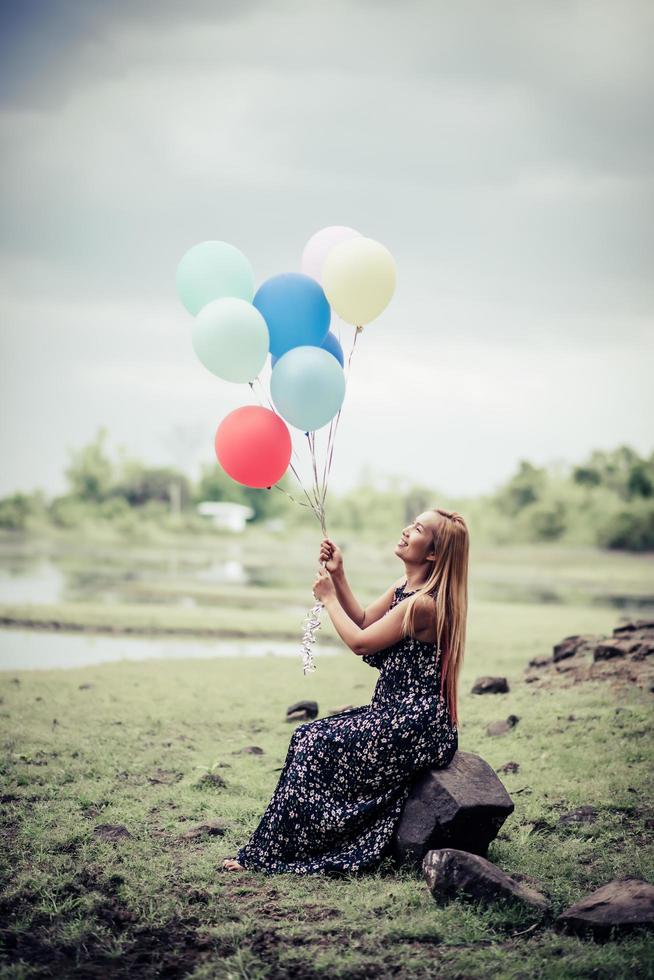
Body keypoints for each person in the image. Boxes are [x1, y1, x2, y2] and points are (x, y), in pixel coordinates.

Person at [222, 508, 469, 875]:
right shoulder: (405, 589)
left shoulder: (424, 604)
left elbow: (361, 643)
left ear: (432, 553)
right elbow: (367, 620)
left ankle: (280, 853)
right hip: (394, 712)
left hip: (417, 723)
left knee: (312, 740)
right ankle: (277, 848)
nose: (405, 530)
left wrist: (328, 599)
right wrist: (339, 576)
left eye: (417, 529)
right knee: (309, 737)